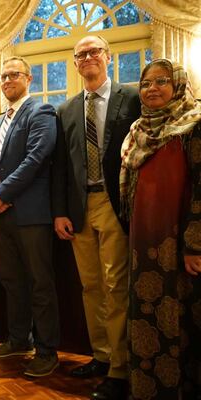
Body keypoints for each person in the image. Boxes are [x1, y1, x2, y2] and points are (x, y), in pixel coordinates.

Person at [51, 35, 140, 399]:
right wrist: (59, 211)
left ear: (107, 57)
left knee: (116, 286)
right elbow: (59, 166)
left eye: (93, 52)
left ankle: (120, 368)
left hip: (114, 202)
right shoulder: (67, 109)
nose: (87, 57)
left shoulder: (130, 98)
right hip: (78, 207)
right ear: (74, 64)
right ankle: (101, 356)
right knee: (91, 287)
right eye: (80, 54)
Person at [121, 59, 201, 400]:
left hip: (179, 244)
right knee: (145, 314)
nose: (152, 88)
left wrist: (195, 244)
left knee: (180, 319)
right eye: (146, 83)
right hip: (142, 242)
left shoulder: (193, 125)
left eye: (162, 81)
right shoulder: (137, 130)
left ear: (178, 85)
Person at [0, 56, 60, 377]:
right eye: (2, 76)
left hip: (32, 214)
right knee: (12, 282)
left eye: (13, 74)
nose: (7, 80)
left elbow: (37, 157)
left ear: (28, 79)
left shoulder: (41, 111)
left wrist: (3, 194)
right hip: (2, 216)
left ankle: (46, 351)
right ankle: (18, 339)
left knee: (40, 283)